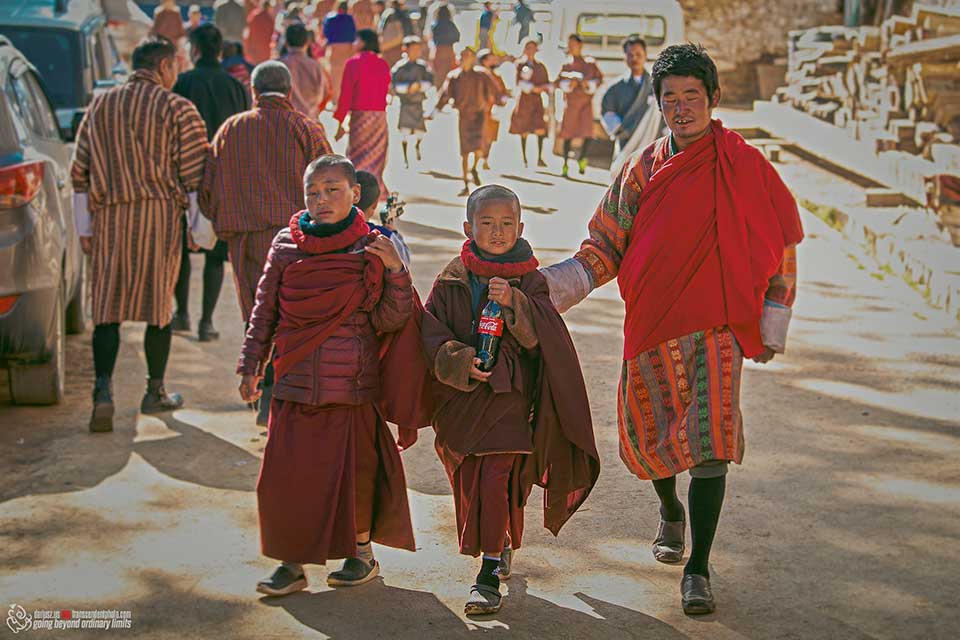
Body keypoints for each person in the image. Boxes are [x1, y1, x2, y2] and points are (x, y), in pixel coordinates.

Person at [540, 43, 804, 616]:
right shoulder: (641, 168)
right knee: (652, 434)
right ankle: (670, 510)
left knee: (709, 444)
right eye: (670, 99)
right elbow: (605, 241)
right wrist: (554, 287)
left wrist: (771, 322)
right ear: (658, 105)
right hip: (652, 323)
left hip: (719, 328)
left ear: (713, 98)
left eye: (692, 97)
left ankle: (699, 567)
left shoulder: (746, 166)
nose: (681, 108)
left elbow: (779, 244)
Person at [238, 155, 429, 596]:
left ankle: (360, 555)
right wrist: (250, 365)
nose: (321, 200)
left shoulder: (376, 245)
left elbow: (392, 319)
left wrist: (397, 273)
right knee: (287, 477)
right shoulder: (286, 244)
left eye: (332, 190)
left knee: (354, 476)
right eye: (313, 193)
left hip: (352, 383)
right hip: (294, 381)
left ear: (355, 193)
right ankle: (291, 563)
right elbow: (264, 311)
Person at [421, 184, 599, 615]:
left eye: (506, 224)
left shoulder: (531, 279)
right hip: (463, 401)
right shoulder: (451, 278)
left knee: (498, 477)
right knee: (473, 479)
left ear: (520, 227)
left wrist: (517, 303)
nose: (497, 232)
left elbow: (546, 342)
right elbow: (429, 334)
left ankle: (486, 575)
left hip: (511, 399)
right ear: (468, 227)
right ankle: (498, 541)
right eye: (486, 223)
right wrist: (460, 361)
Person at [70, 37, 209, 432]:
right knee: (159, 307)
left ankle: (102, 391)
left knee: (108, 309)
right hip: (159, 217)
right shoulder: (177, 108)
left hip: (109, 219)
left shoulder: (100, 105)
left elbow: (79, 171)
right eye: (175, 67)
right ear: (164, 66)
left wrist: (84, 228)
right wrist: (198, 227)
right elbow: (195, 173)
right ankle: (155, 391)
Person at [200, 61, 332, 425]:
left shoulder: (231, 128)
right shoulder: (305, 127)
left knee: (256, 312)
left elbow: (207, 189)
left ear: (253, 92)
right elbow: (332, 182)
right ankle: (281, 392)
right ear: (289, 92)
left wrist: (223, 218)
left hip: (247, 239)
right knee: (294, 313)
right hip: (298, 239)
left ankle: (261, 387)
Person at [172, 24, 251, 342]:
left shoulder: (182, 82)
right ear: (220, 50)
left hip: (185, 178)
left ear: (195, 49)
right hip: (224, 180)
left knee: (180, 250)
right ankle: (206, 321)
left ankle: (182, 314)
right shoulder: (236, 86)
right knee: (217, 255)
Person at [430, 46, 497, 196]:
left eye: (469, 56)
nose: (466, 59)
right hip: (464, 117)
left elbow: (495, 90)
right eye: (463, 56)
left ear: (473, 59)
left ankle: (474, 168)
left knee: (479, 147)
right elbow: (445, 95)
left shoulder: (482, 75)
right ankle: (465, 182)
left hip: (480, 115)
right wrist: (434, 111)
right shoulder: (454, 76)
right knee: (465, 152)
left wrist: (498, 104)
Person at [334, 29, 392, 199]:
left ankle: (356, 193)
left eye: (357, 40)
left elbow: (345, 95)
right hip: (380, 118)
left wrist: (340, 123)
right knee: (375, 157)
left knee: (357, 156)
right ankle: (372, 193)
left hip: (360, 118)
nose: (354, 43)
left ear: (364, 42)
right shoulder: (383, 63)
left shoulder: (353, 63)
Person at [600, 35, 658, 155]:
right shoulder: (615, 88)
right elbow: (607, 111)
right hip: (625, 145)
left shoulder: (657, 85)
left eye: (638, 54)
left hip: (652, 144)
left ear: (645, 56)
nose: (634, 58)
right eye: (630, 55)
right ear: (625, 57)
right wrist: (622, 131)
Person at [556, 34, 602, 177]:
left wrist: (586, 84)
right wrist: (569, 85)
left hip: (585, 104)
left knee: (587, 132)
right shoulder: (566, 65)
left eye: (573, 44)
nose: (570, 47)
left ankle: (582, 158)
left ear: (580, 45)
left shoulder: (590, 63)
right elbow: (558, 82)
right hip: (570, 104)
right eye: (569, 44)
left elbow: (598, 79)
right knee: (567, 133)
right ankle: (565, 163)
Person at [391, 36, 433, 168]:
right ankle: (405, 158)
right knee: (404, 131)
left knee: (420, 131)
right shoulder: (399, 67)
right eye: (413, 49)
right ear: (405, 49)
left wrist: (420, 86)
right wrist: (407, 88)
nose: (416, 51)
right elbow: (393, 85)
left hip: (418, 104)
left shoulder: (422, 66)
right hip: (406, 104)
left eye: (418, 49)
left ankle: (417, 147)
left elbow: (430, 81)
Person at [509, 37, 550, 168]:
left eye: (533, 48)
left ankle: (539, 157)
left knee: (540, 129)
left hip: (537, 100)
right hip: (525, 101)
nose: (531, 50)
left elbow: (546, 83)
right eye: (528, 48)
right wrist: (532, 88)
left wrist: (542, 89)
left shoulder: (540, 66)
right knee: (524, 129)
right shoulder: (520, 64)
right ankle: (524, 158)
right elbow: (518, 82)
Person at [356, 170, 411, 268]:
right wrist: (394, 233)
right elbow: (404, 262)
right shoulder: (384, 236)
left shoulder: (330, 228)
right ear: (375, 204)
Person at [281, 23, 329, 120]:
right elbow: (325, 94)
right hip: (309, 121)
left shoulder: (277, 65)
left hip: (284, 122)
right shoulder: (316, 66)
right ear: (307, 42)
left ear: (286, 42)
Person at [478, 48, 508, 171]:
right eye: (490, 58)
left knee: (490, 136)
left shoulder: (497, 76)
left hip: (493, 110)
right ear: (484, 61)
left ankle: (485, 158)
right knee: (479, 136)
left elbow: (502, 92)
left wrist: (503, 99)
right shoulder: (478, 75)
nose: (493, 61)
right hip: (480, 111)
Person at [324, 2, 357, 104]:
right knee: (347, 75)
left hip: (334, 48)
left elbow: (326, 33)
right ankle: (346, 99)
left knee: (335, 75)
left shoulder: (330, 18)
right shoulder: (350, 19)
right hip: (348, 48)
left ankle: (335, 99)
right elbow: (353, 34)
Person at [428, 3, 459, 88]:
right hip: (450, 50)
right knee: (450, 71)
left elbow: (433, 39)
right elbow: (457, 37)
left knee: (439, 75)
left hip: (439, 50)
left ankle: (440, 92)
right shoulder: (451, 24)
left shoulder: (435, 25)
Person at [378, 0, 414, 66]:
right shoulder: (403, 14)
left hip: (393, 49)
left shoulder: (391, 14)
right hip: (400, 48)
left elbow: (381, 31)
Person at [245, 0, 276, 64]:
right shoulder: (269, 18)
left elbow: (249, 32)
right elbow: (272, 34)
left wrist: (247, 46)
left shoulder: (254, 15)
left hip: (254, 47)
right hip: (265, 49)